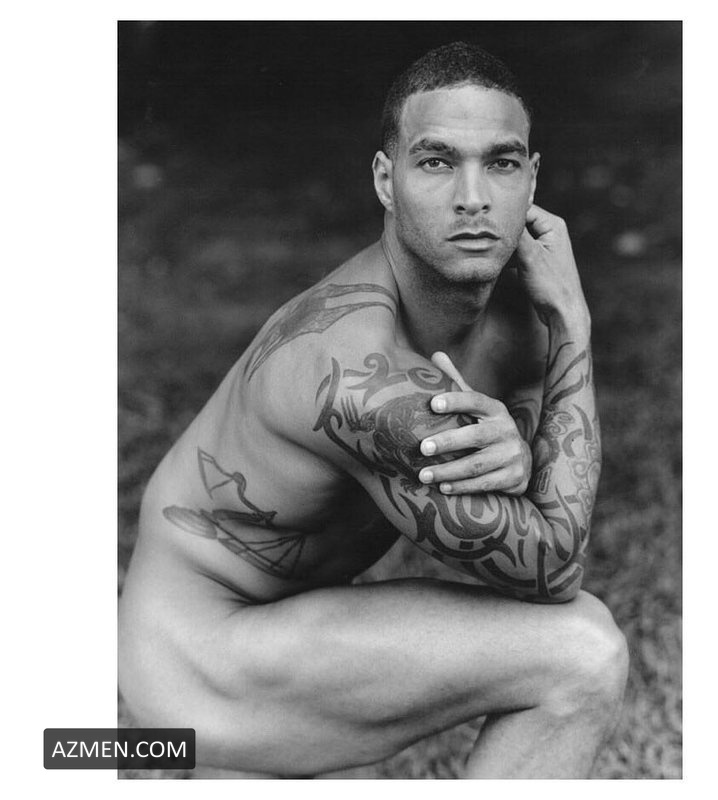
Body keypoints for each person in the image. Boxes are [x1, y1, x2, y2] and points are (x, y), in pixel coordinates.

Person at [119, 41, 629, 779]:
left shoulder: (516, 315)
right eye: (436, 161)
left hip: (293, 625)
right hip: (196, 668)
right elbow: (552, 565)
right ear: (386, 180)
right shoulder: (354, 369)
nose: (473, 197)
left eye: (502, 162)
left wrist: (523, 442)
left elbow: (540, 493)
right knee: (584, 651)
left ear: (533, 178)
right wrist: (575, 324)